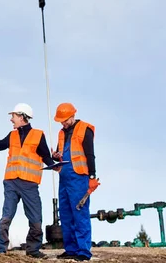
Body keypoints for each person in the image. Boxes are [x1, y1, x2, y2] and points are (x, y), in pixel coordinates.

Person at [0, 103, 56, 259]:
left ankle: (33, 250)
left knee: (35, 219)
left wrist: (56, 166)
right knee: (6, 216)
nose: (11, 119)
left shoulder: (38, 135)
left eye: (13, 116)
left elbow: (46, 157)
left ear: (22, 117)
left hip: (30, 184)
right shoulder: (12, 135)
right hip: (11, 182)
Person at [52, 102, 99, 261]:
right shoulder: (61, 133)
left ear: (73, 116)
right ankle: (71, 249)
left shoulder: (84, 129)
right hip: (64, 177)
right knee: (65, 214)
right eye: (61, 121)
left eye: (65, 120)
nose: (63, 123)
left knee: (80, 214)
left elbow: (90, 155)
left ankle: (83, 252)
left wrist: (92, 177)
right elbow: (61, 152)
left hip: (79, 178)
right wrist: (55, 157)